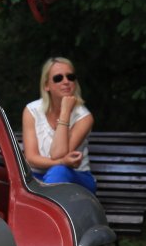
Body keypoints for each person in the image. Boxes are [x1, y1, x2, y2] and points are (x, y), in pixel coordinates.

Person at [22, 57, 96, 191]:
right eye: (58, 78)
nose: (66, 81)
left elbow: (58, 153)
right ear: (46, 85)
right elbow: (31, 158)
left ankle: (43, 202)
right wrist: (62, 161)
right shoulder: (32, 111)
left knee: (59, 171)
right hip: (37, 176)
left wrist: (65, 111)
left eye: (70, 77)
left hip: (77, 178)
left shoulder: (84, 117)